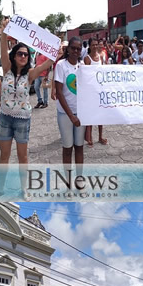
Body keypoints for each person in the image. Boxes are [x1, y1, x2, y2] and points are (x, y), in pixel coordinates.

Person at [0, 18, 57, 201]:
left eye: (26, 54)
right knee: (4, 156)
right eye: (20, 54)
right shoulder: (6, 69)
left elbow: (47, 63)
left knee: (23, 157)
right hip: (5, 118)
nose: (23, 56)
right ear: (14, 56)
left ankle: (24, 189)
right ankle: (0, 189)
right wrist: (4, 31)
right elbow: (3, 43)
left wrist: (55, 51)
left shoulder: (30, 74)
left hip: (22, 120)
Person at [54, 36, 85, 189]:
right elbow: (59, 93)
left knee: (79, 147)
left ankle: (79, 179)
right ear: (68, 49)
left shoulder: (82, 66)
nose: (76, 51)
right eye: (73, 48)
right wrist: (71, 116)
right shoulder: (61, 65)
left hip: (81, 115)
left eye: (79, 49)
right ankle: (68, 181)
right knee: (68, 148)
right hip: (65, 115)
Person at [83, 38, 108, 147]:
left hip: (100, 90)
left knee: (101, 116)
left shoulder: (101, 57)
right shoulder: (87, 59)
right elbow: (86, 76)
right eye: (92, 45)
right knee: (90, 115)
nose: (95, 46)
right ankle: (90, 138)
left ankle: (100, 136)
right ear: (89, 46)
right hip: (91, 91)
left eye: (96, 44)